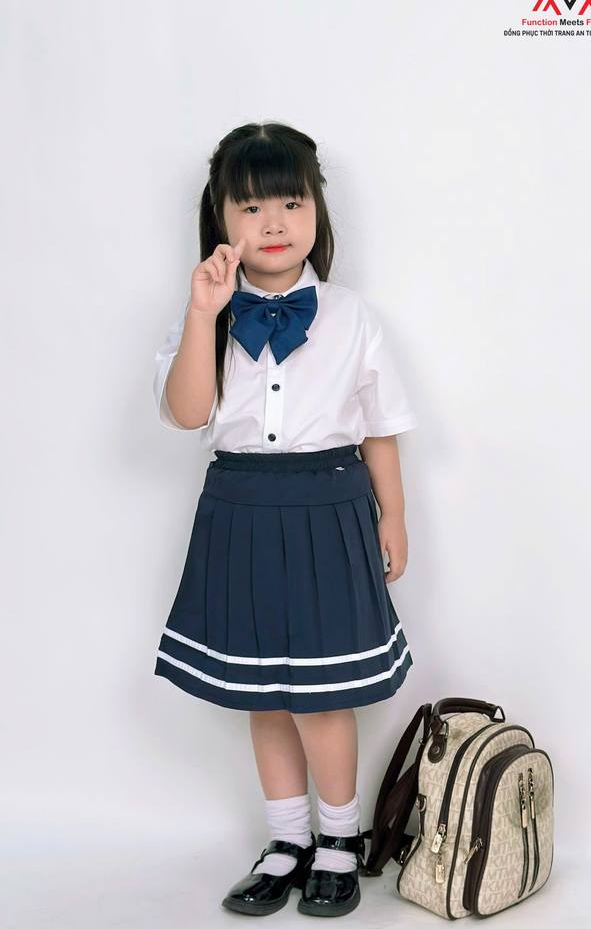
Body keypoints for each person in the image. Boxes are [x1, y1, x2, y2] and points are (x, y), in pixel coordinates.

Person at [152, 121, 419, 918]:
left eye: (291, 203)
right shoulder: (206, 315)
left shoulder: (352, 315)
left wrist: (394, 516)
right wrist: (203, 314)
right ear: (220, 220)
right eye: (251, 206)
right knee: (264, 693)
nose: (273, 222)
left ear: (316, 213)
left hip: (329, 506)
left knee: (323, 696)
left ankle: (339, 841)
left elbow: (379, 427)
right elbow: (187, 412)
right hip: (239, 511)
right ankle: (287, 841)